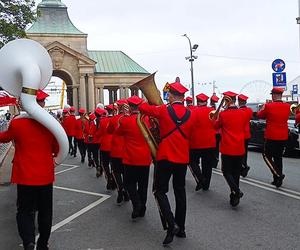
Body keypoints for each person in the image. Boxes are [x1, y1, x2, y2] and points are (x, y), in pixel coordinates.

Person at [0, 89, 58, 250]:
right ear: (40, 103)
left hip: (25, 175)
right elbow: (56, 147)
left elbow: (5, 137)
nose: (44, 103)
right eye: (43, 101)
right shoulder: (50, 123)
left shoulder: (17, 123)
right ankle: (43, 244)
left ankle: (28, 241)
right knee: (45, 212)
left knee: (25, 211)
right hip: (45, 175)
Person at [139, 82, 195, 245]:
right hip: (182, 158)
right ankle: (181, 228)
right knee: (180, 192)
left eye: (169, 94)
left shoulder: (163, 110)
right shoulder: (191, 114)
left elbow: (143, 108)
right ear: (183, 97)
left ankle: (172, 224)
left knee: (159, 190)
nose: (168, 96)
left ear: (171, 95)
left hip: (165, 157)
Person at [116, 95, 152, 219]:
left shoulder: (125, 120)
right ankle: (142, 208)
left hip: (130, 158)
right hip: (145, 158)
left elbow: (117, 132)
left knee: (129, 183)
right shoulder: (147, 119)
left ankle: (136, 204)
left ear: (130, 107)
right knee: (143, 185)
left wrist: (122, 117)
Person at [214, 91, 247, 207]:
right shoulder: (243, 113)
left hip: (228, 148)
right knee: (236, 173)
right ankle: (234, 198)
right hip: (239, 148)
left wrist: (217, 115)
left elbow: (215, 126)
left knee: (226, 172)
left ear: (227, 101)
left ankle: (236, 191)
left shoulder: (223, 114)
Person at [257, 87, 290, 188]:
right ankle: (277, 180)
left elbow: (260, 115)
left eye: (272, 94)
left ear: (275, 95)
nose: (272, 96)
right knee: (278, 157)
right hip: (283, 136)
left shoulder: (268, 106)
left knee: (266, 156)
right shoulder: (287, 106)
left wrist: (263, 108)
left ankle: (278, 175)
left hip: (271, 136)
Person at [189, 93, 216, 191]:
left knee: (192, 161)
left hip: (196, 142)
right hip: (210, 142)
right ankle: (206, 185)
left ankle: (201, 178)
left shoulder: (193, 112)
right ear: (207, 101)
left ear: (197, 101)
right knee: (207, 165)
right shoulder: (213, 112)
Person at [238, 94, 253, 178]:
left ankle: (243, 167)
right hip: (247, 134)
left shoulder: (239, 111)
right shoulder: (249, 110)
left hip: (240, 134)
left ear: (239, 101)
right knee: (245, 152)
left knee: (240, 152)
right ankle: (244, 165)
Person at [210, 94, 220, 168]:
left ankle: (213, 161)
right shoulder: (220, 110)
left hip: (212, 132)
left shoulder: (210, 110)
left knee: (212, 148)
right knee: (216, 149)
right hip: (218, 132)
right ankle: (215, 161)